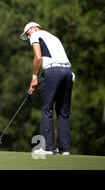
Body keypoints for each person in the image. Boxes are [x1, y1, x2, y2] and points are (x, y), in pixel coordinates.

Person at [20, 22, 74, 155]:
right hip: (68, 73)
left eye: (28, 33)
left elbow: (38, 58)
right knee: (63, 112)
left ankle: (47, 148)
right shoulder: (54, 38)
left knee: (46, 109)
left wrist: (34, 77)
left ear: (34, 28)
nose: (28, 37)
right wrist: (40, 82)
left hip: (54, 72)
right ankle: (64, 150)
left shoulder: (36, 35)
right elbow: (58, 65)